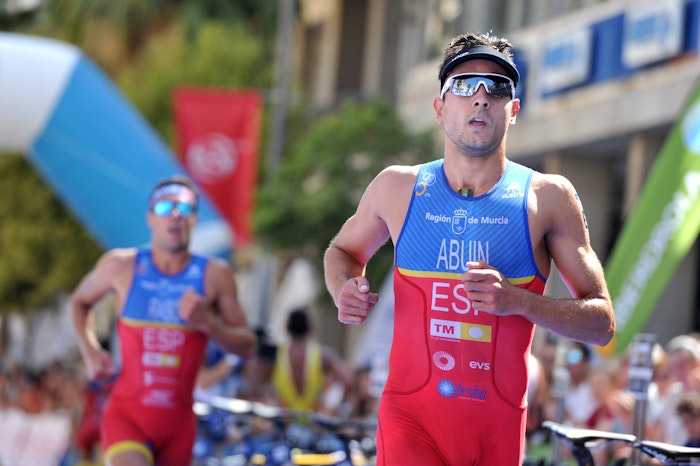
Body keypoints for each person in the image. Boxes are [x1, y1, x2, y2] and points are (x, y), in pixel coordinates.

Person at [323, 32, 615, 465]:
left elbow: (602, 322)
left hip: (495, 434)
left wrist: (518, 301)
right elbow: (342, 253)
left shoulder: (548, 198)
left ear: (513, 110)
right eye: (463, 85)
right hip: (410, 424)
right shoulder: (397, 188)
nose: (480, 97)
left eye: (497, 87)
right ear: (440, 108)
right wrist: (344, 288)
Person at [70, 175, 256, 466]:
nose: (174, 216)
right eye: (164, 208)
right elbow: (79, 303)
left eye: (184, 209)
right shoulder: (121, 265)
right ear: (150, 218)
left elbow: (247, 345)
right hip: (127, 419)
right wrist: (91, 352)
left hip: (178, 429)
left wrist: (209, 322)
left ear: (194, 220)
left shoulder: (215, 275)